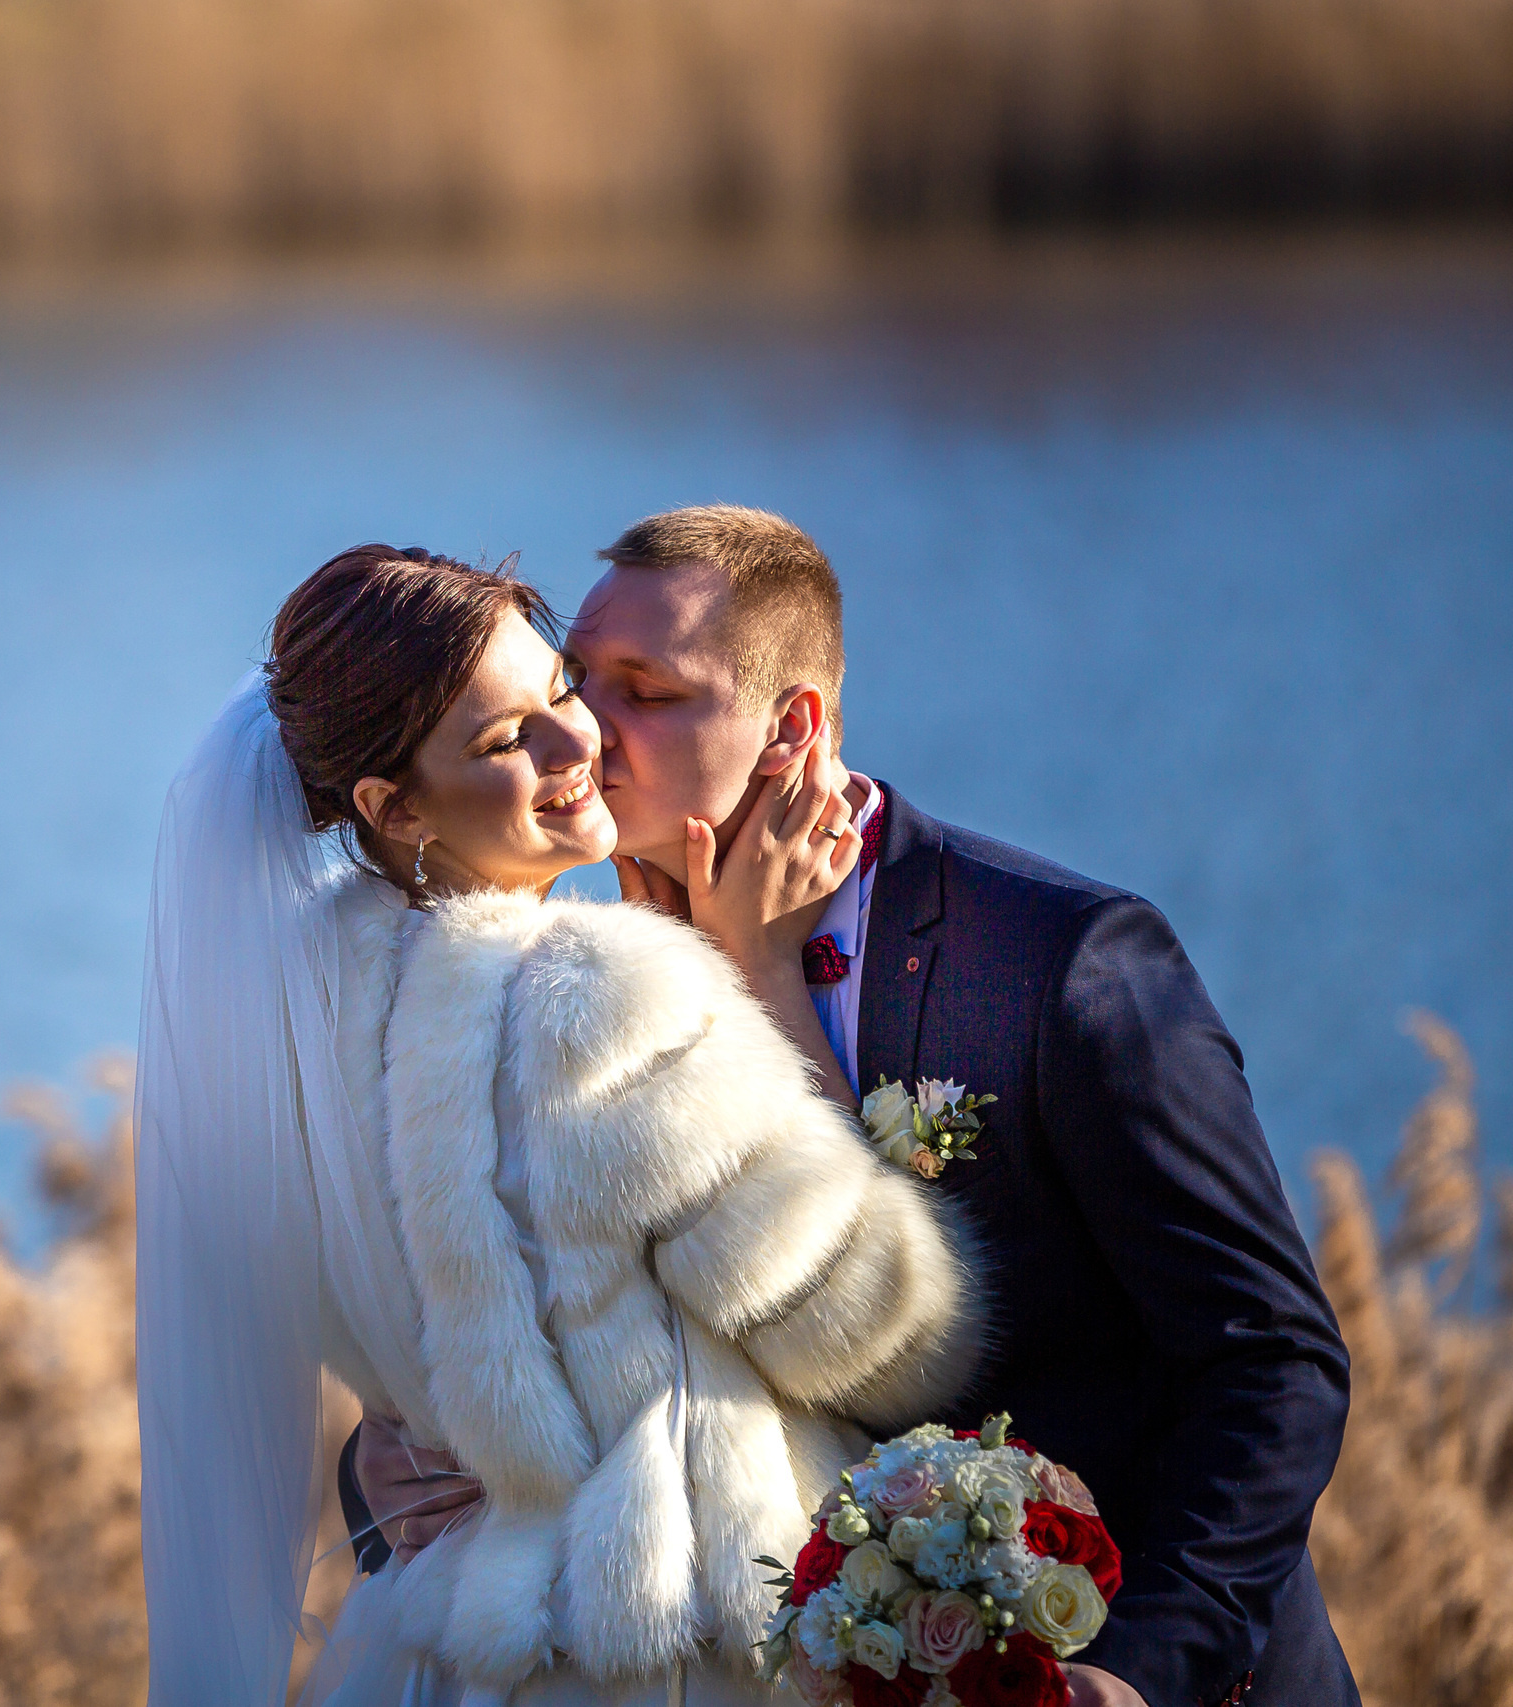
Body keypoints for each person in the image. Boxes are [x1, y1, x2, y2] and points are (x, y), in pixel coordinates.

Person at [342, 507, 1356, 1707]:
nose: (582, 730)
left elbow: (1271, 1362)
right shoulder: (575, 985)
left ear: (793, 728)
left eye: (644, 691)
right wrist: (389, 1479)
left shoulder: (1057, 963)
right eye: (573, 679)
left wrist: (1142, 1670)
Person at [135, 544, 985, 1707]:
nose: (574, 744)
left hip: (444, 1653)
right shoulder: (601, 997)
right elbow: (882, 1337)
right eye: (502, 741)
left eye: (558, 694)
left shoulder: (283, 1023)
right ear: (392, 807)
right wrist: (758, 977)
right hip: (670, 1655)